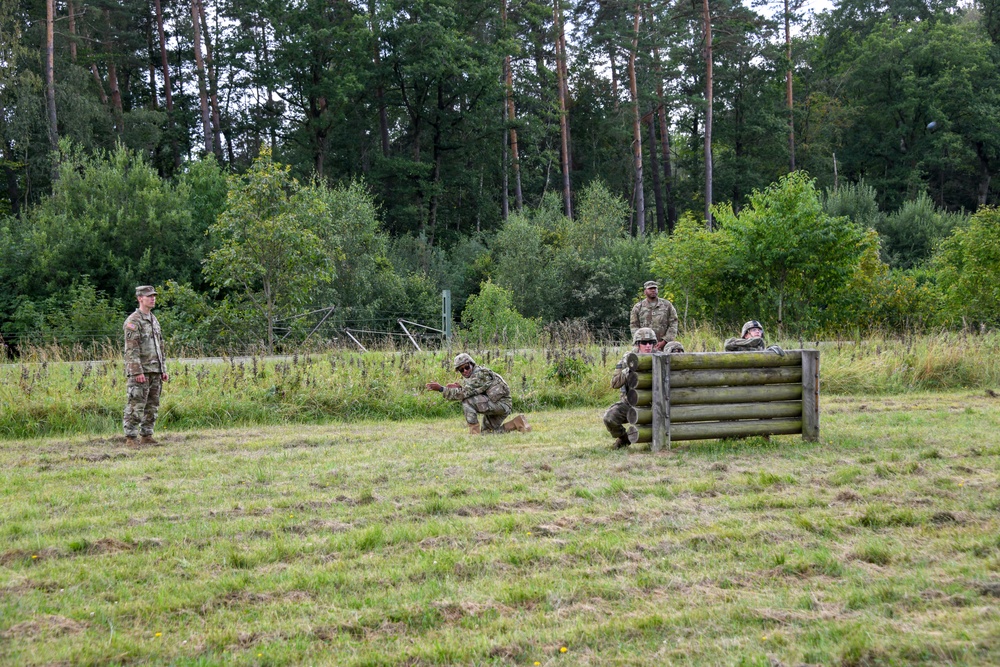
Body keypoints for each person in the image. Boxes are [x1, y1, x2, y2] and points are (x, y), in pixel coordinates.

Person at [603, 327, 684, 449]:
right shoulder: (628, 359)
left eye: (651, 342)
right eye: (644, 343)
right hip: (631, 405)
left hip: (655, 406)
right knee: (609, 417)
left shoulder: (661, 358)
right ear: (637, 344)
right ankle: (624, 439)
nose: (647, 346)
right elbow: (614, 383)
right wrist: (629, 369)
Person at [425, 353, 530, 435]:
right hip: (499, 404)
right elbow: (474, 389)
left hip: (500, 404)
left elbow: (464, 394)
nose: (465, 371)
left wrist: (441, 389)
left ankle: (474, 434)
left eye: (466, 367)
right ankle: (517, 423)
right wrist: (460, 387)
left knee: (467, 401)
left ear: (472, 364)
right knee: (487, 434)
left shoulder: (479, 374)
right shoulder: (475, 374)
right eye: (461, 370)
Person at [123, 285, 169, 447]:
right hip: (141, 371)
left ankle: (146, 435)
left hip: (155, 370)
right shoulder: (133, 321)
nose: (153, 298)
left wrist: (163, 369)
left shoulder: (153, 319)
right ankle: (131, 437)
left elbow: (160, 346)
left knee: (152, 405)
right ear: (140, 298)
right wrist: (136, 371)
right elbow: (131, 349)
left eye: (154, 295)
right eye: (149, 296)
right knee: (136, 404)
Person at [629, 280, 679, 351]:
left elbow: (673, 323)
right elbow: (634, 326)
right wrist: (641, 342)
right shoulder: (638, 307)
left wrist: (665, 341)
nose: (653, 290)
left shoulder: (667, 305)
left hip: (664, 346)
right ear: (645, 291)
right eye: (650, 289)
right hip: (645, 346)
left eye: (655, 288)